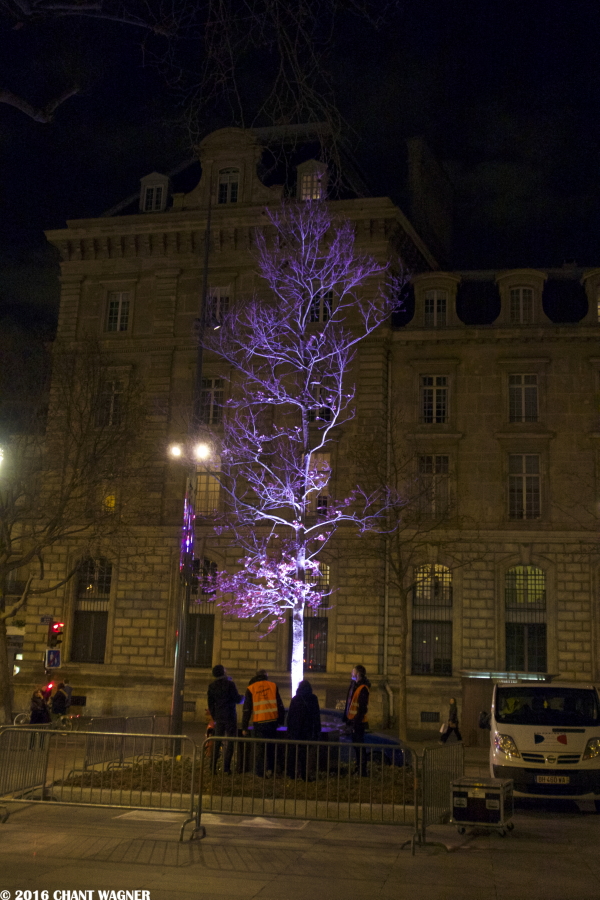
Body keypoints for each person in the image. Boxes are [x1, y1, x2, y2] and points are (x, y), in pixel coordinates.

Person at [242, 669, 285, 775]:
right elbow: (280, 705)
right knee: (271, 747)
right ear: (266, 676)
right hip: (272, 721)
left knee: (260, 748)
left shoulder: (251, 688)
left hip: (259, 722)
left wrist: (244, 727)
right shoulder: (273, 686)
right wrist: (280, 721)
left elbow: (247, 709)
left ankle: (260, 772)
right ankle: (271, 770)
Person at [207, 664, 242, 774]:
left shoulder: (212, 686)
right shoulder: (230, 684)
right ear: (223, 672)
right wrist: (244, 698)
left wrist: (215, 716)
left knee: (217, 741)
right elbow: (236, 699)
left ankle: (212, 767)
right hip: (230, 716)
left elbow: (211, 704)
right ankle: (226, 768)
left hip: (219, 716)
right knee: (230, 741)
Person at [286, 680, 321, 780]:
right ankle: (305, 775)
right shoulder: (313, 699)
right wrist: (317, 730)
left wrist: (289, 730)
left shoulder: (295, 699)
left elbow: (290, 716)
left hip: (296, 730)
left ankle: (292, 774)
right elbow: (316, 716)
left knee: (293, 753)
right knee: (305, 754)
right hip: (308, 730)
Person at [343, 664, 370, 776]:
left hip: (358, 723)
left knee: (359, 747)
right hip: (353, 721)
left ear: (358, 674)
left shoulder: (362, 688)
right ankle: (359, 769)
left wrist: (355, 721)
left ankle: (362, 770)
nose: (351, 673)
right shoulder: (355, 686)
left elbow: (362, 708)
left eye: (353, 672)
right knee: (357, 747)